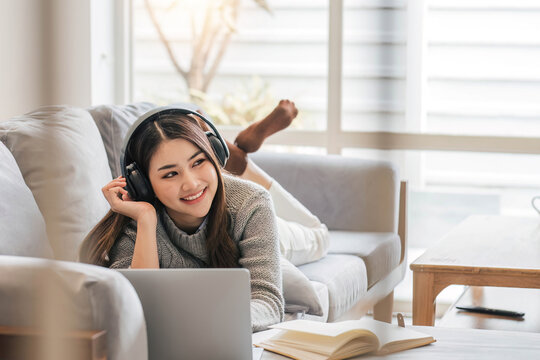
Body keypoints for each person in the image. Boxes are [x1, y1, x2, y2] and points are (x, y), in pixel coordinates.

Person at [79, 100, 329, 331]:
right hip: (216, 203)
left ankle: (245, 165)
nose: (190, 184)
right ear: (142, 184)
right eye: (170, 174)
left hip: (260, 226)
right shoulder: (137, 223)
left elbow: (268, 301)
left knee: (319, 237)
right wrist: (146, 219)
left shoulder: (251, 203)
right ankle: (240, 156)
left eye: (198, 162)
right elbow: (137, 311)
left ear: (215, 154)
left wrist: (210, 324)